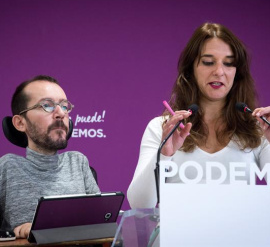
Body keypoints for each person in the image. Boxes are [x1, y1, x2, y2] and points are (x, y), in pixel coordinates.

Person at [127, 22, 270, 209]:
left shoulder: (259, 129)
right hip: (175, 238)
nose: (219, 71)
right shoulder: (161, 128)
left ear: (237, 72)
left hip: (240, 238)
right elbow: (140, 204)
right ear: (190, 69)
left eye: (228, 63)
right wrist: (163, 155)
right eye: (208, 62)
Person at [0, 75, 100, 238]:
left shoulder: (77, 162)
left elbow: (101, 223)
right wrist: (13, 233)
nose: (60, 113)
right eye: (47, 105)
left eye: (64, 106)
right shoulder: (7, 167)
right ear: (20, 123)